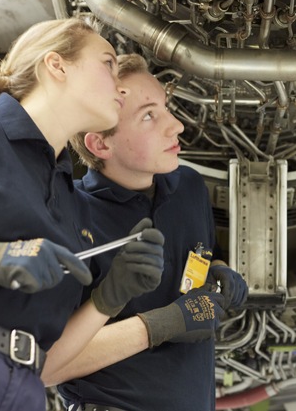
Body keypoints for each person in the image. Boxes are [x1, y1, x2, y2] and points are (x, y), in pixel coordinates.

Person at [0, 18, 164, 411]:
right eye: (108, 63)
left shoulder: (73, 205)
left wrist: (109, 298)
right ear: (56, 65)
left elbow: (50, 367)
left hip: (24, 392)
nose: (120, 86)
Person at [48, 53, 248, 411]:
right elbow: (47, 365)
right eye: (148, 116)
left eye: (165, 108)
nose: (176, 126)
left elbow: (199, 258)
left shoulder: (188, 187)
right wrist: (166, 322)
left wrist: (218, 272)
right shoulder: (69, 218)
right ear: (100, 144)